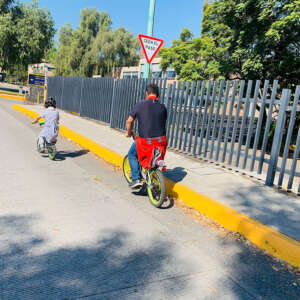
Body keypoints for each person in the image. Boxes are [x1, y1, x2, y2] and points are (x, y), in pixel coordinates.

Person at [126, 83, 167, 189]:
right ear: (158, 95)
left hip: (145, 142)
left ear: (146, 93)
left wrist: (129, 133)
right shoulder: (163, 107)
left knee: (131, 154)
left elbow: (129, 121)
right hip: (160, 141)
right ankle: (154, 163)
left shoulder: (140, 104)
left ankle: (136, 179)